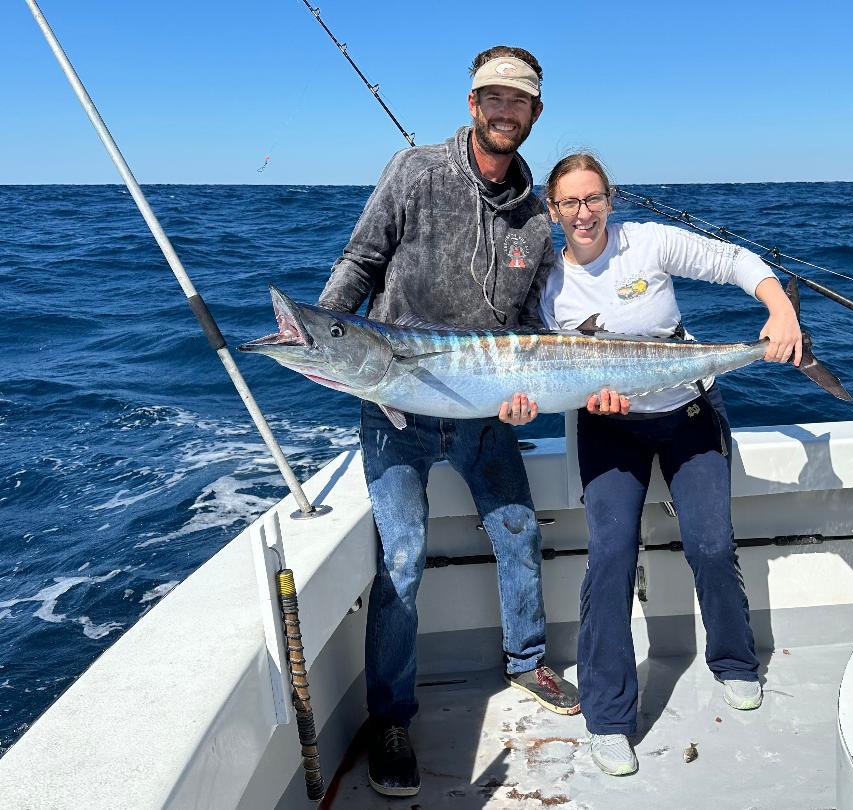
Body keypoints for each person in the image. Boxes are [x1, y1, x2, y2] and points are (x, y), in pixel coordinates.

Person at [317, 47, 579, 798]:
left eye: (519, 101)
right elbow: (362, 262)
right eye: (492, 97)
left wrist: (526, 391)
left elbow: (531, 323)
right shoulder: (414, 171)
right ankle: (393, 716)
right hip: (395, 405)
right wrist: (330, 338)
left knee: (520, 529)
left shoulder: (536, 217)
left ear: (533, 114)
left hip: (486, 411)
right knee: (401, 560)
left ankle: (526, 661)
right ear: (472, 104)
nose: (504, 111)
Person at [537, 153, 802, 777]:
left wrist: (780, 310)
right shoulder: (549, 284)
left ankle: (735, 663)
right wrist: (586, 398)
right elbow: (556, 371)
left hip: (688, 416)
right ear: (552, 211)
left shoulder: (648, 243)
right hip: (609, 430)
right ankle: (607, 717)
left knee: (710, 546)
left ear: (611, 199)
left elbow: (736, 261)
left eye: (593, 198)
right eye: (570, 203)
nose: (584, 213)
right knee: (608, 559)